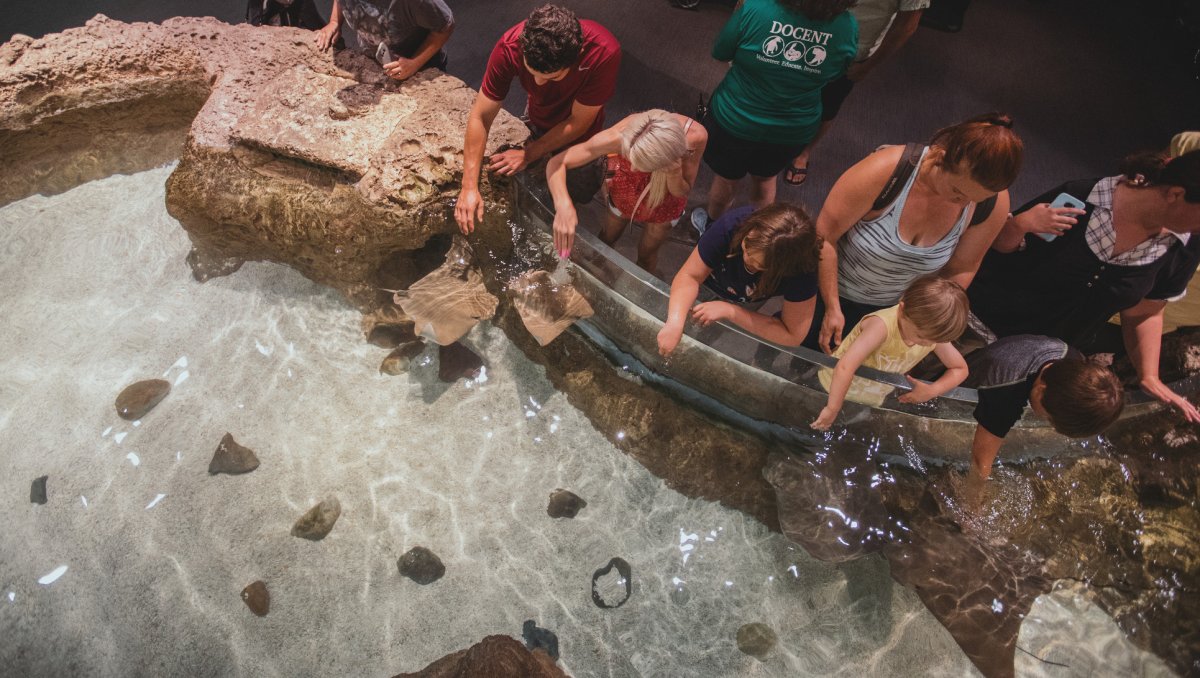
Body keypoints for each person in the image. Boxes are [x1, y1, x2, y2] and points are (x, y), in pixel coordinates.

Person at [968, 149, 1200, 423]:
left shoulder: (1183, 248)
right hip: (977, 328)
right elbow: (997, 246)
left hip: (1044, 361)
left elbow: (1145, 311)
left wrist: (1148, 375)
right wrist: (1021, 224)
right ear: (1175, 194)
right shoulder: (1080, 198)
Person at [807, 113, 1022, 354]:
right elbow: (823, 237)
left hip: (894, 313)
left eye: (974, 199)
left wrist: (922, 319)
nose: (963, 204)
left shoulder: (992, 202)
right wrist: (832, 306)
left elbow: (962, 268)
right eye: (957, 192)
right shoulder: (885, 170)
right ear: (940, 157)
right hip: (827, 290)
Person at [690, 0, 858, 231]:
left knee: (727, 180)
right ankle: (756, 237)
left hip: (735, 118)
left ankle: (710, 229)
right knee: (766, 179)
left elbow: (720, 52)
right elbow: (837, 74)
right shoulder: (847, 26)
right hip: (793, 129)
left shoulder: (757, 7)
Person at [455, 4, 621, 234]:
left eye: (551, 77)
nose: (539, 84)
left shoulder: (603, 51)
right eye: (531, 73)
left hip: (582, 135)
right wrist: (469, 186)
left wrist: (529, 153)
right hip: (539, 116)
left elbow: (578, 122)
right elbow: (481, 116)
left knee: (578, 189)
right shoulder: (510, 46)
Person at [962, 334, 1124, 500]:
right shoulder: (1007, 393)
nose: (1047, 422)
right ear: (1040, 390)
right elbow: (979, 461)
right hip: (963, 384)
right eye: (1048, 418)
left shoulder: (1073, 362)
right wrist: (972, 509)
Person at [786, 0, 929, 185]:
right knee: (784, 89)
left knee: (827, 105)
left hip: (852, 48)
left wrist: (869, 66)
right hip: (803, 29)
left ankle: (804, 152)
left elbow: (907, 25)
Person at [545, 110, 708, 268]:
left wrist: (674, 172)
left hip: (666, 201)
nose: (635, 169)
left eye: (642, 166)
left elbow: (682, 191)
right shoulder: (617, 138)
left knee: (647, 254)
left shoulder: (694, 138)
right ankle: (594, 268)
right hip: (625, 190)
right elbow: (557, 163)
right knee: (606, 238)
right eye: (631, 160)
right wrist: (563, 205)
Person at [657, 203, 822, 356]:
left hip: (747, 299)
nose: (747, 260)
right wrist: (674, 323)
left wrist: (732, 312)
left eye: (759, 264)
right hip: (708, 282)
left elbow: (792, 335)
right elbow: (690, 276)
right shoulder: (734, 223)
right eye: (746, 248)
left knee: (710, 333)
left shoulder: (803, 271)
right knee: (674, 318)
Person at [812, 274, 969, 429]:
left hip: (869, 399)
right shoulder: (881, 326)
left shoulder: (930, 334)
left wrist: (933, 390)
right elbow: (845, 366)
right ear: (902, 309)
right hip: (828, 388)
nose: (926, 344)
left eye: (934, 341)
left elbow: (960, 369)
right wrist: (833, 407)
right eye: (920, 337)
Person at [315, 0, 454, 80]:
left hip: (419, 66)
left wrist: (414, 63)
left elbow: (445, 26)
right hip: (375, 60)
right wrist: (334, 21)